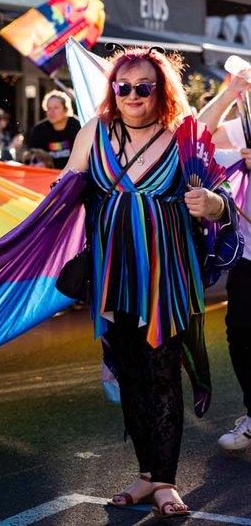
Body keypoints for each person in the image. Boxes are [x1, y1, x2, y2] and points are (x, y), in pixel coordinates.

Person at [60, 47, 232, 519]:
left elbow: (223, 199)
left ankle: (165, 482)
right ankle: (145, 474)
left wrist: (211, 204)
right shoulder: (94, 132)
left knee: (160, 373)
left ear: (162, 92)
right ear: (113, 90)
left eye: (143, 87)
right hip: (113, 277)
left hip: (166, 279)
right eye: (123, 86)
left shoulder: (183, 138)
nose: (132, 95)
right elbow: (65, 191)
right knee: (131, 372)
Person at [196, 75, 251, 451]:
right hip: (248, 255)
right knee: (242, 332)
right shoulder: (245, 123)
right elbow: (197, 136)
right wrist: (230, 93)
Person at [26, 90, 80, 169]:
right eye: (48, 108)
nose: (51, 112)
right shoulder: (39, 130)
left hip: (73, 173)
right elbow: (32, 157)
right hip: (47, 174)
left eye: (56, 108)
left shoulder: (78, 126)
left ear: (66, 109)